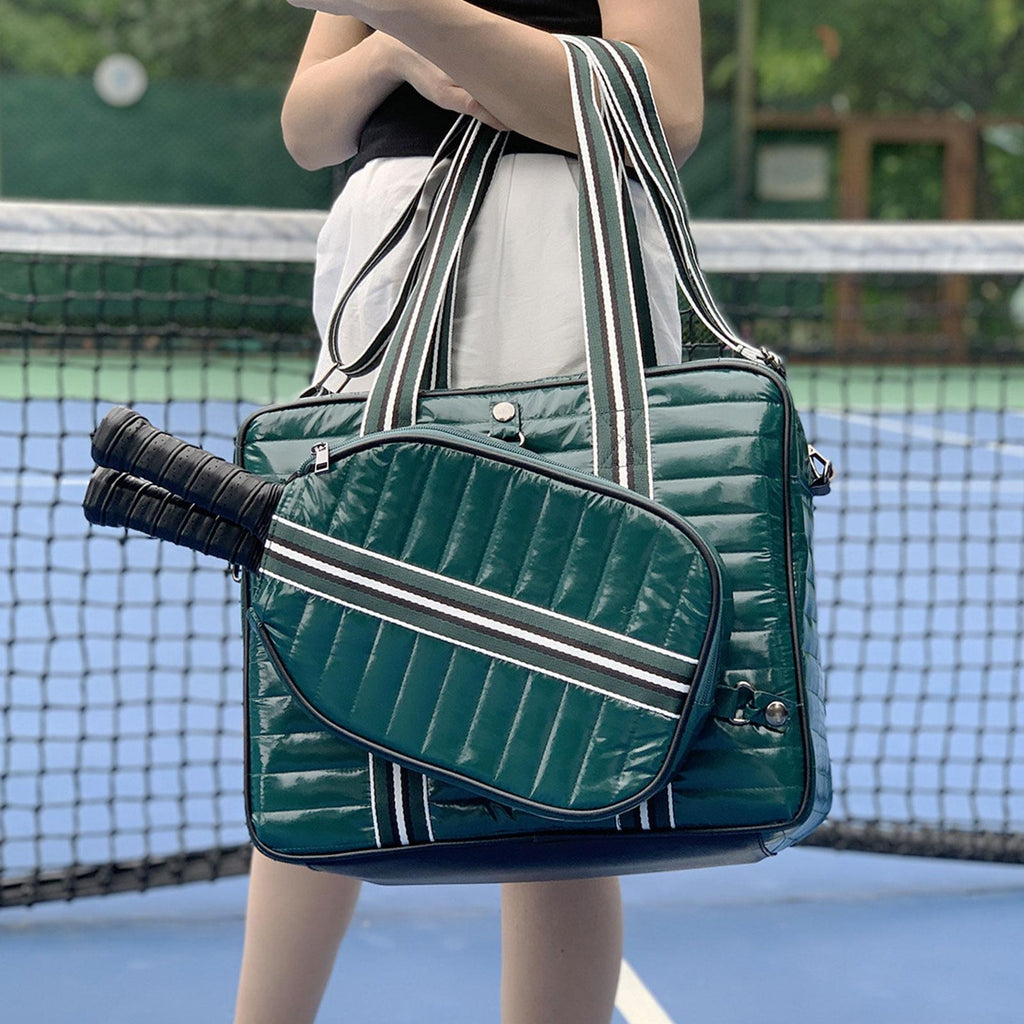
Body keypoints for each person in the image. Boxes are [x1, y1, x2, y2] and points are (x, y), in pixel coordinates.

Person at [233, 3, 704, 1022]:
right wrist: (397, 49)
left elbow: (662, 112)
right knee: (335, 655)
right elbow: (308, 128)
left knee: (561, 692)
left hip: (563, 258)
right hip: (390, 260)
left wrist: (426, 19)